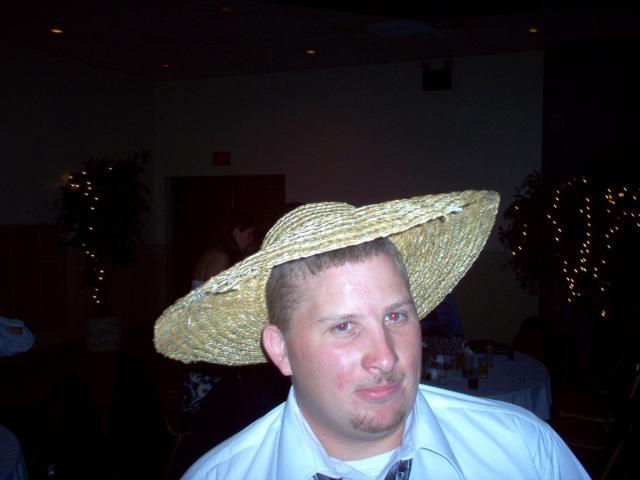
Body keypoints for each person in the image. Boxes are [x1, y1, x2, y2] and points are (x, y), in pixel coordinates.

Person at [155, 190, 589, 479]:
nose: (386, 357)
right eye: (344, 326)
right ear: (281, 350)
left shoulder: (523, 453)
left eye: (396, 316)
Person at [192, 210, 256, 290]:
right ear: (236, 232)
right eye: (249, 235)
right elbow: (213, 293)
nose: (252, 240)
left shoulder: (216, 253)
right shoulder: (218, 257)